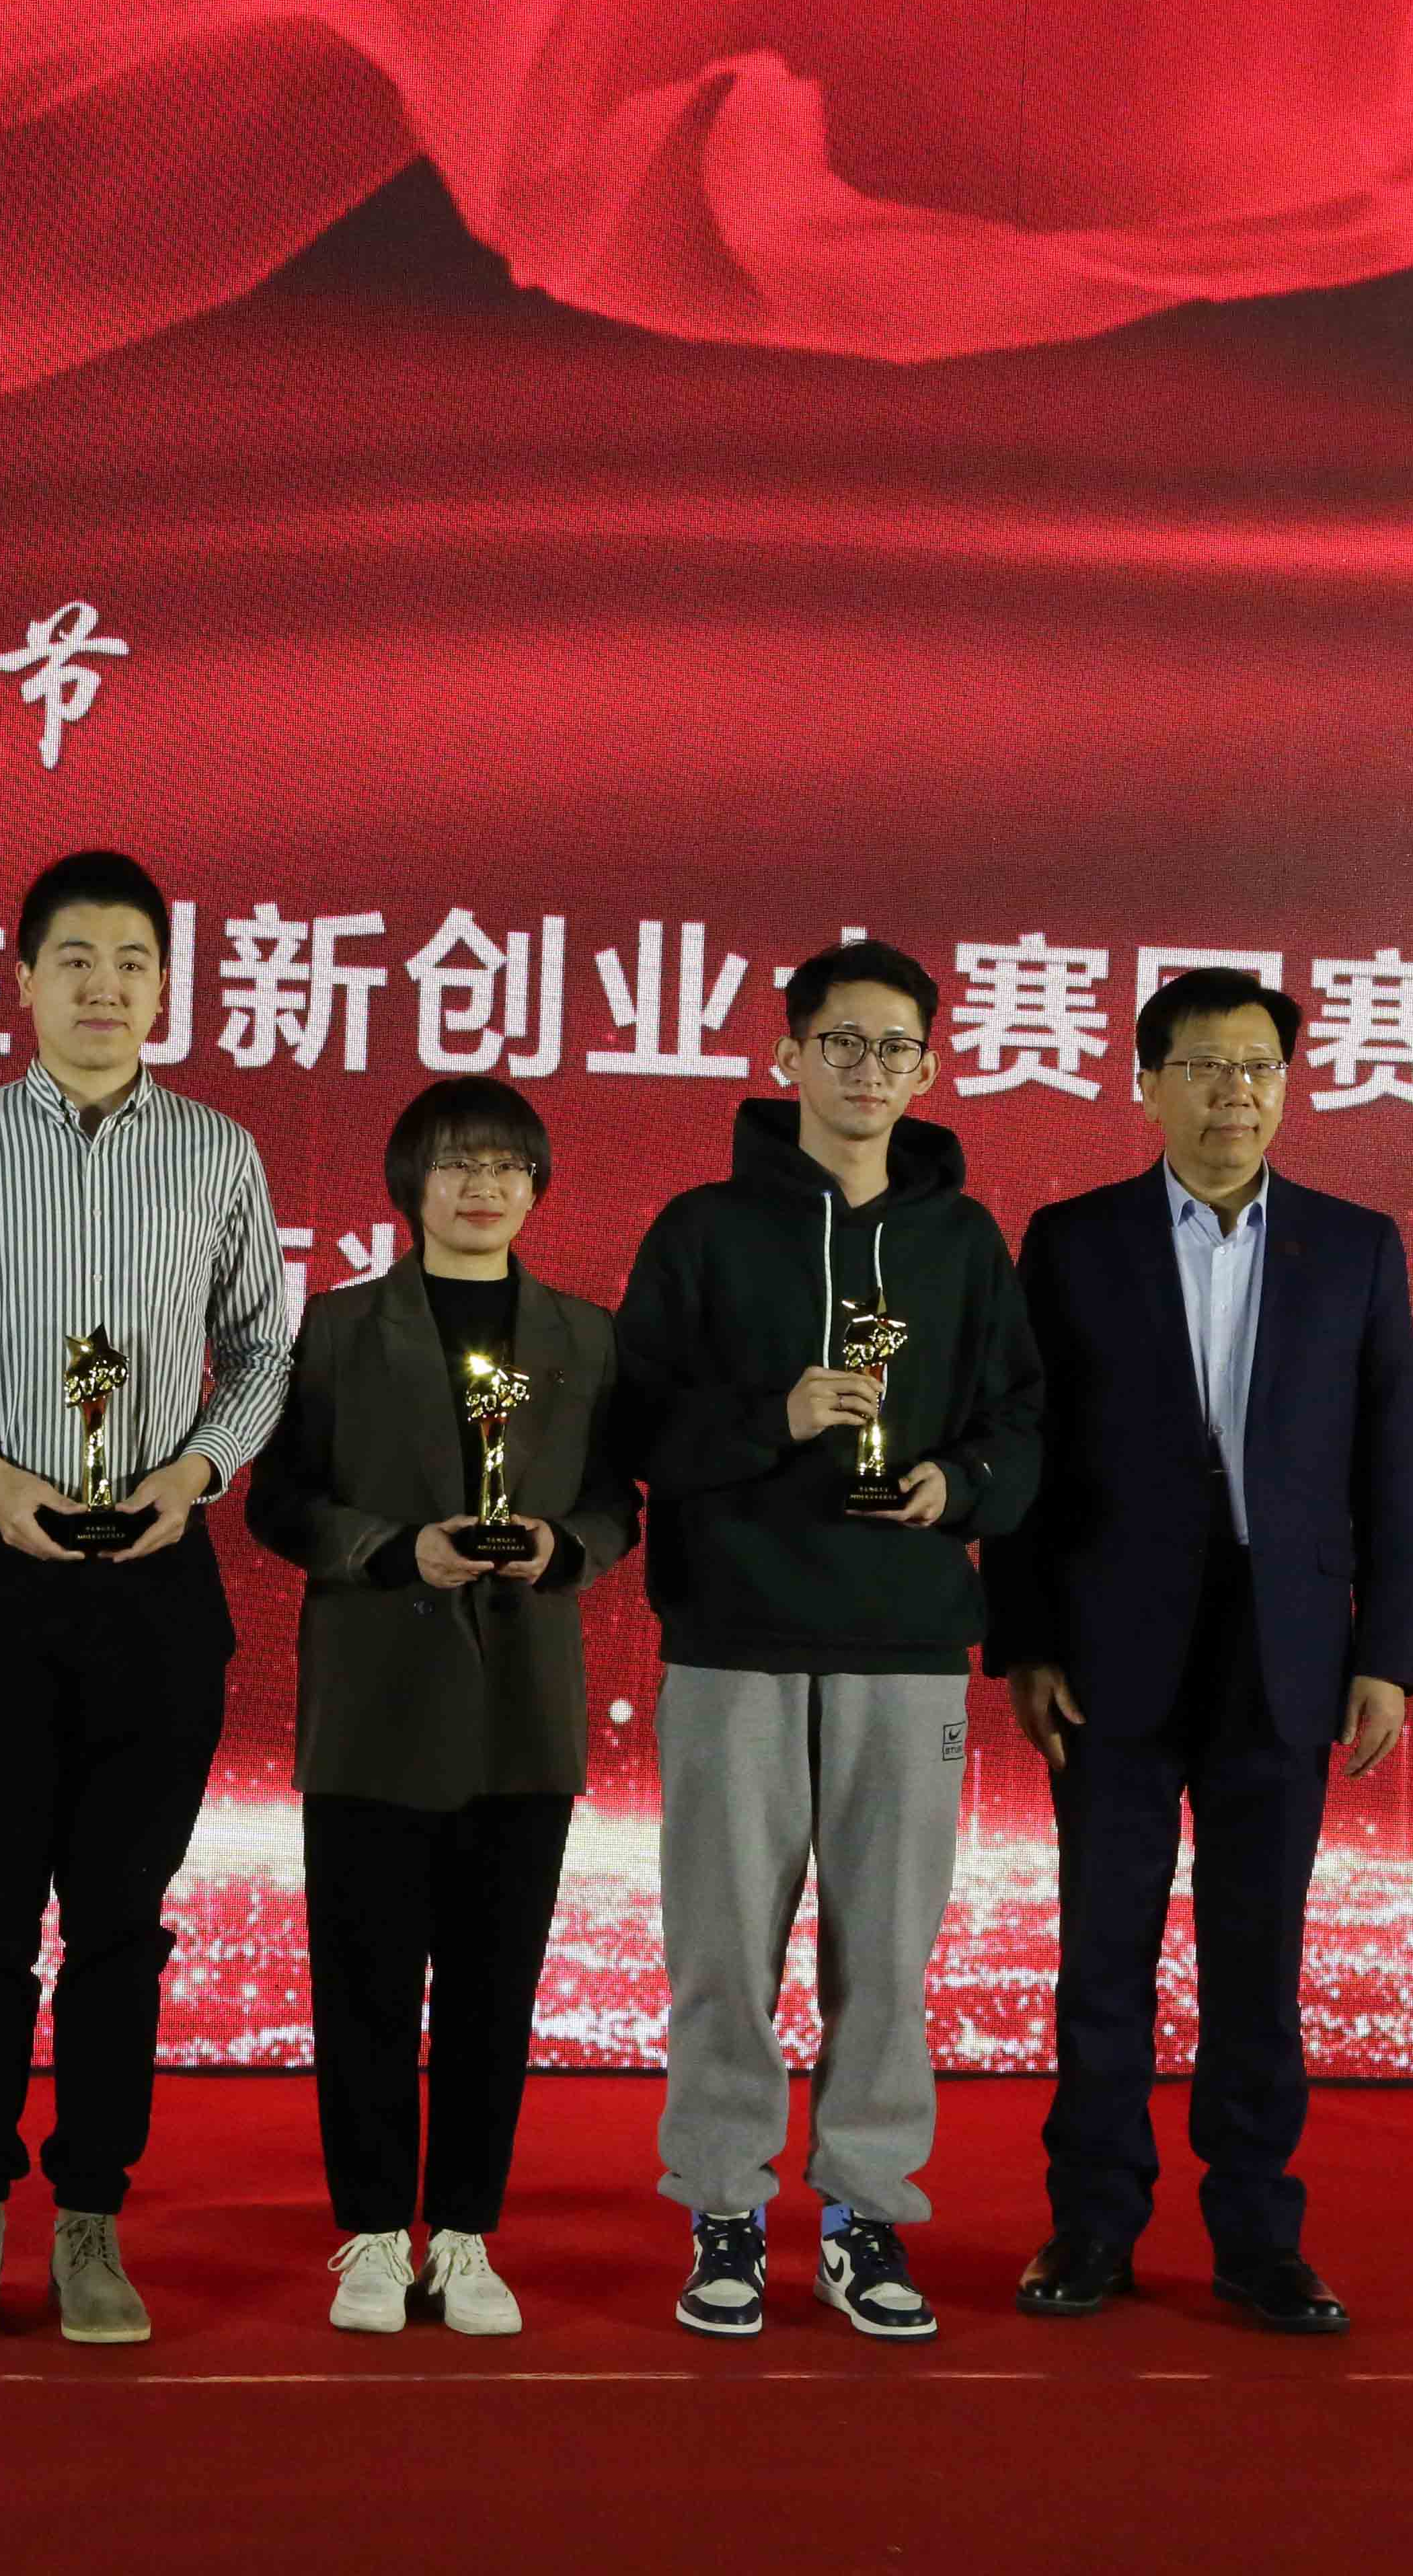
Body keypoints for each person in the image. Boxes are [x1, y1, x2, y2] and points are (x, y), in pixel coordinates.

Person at [0, 847, 294, 2347]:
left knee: (121, 1923)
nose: (106, 987)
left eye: (133, 962)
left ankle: (93, 2216)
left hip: (159, 1578)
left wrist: (196, 1477)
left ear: (166, 985)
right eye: (77, 960)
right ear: (25, 979)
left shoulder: (219, 1153)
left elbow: (265, 1348)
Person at [983, 965, 1413, 2336]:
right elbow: (1028, 1457)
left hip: (1286, 1649)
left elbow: (1391, 1462)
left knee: (1258, 1960)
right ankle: (1091, 2225)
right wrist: (1026, 1641)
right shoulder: (1074, 1241)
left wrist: (1388, 1653)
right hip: (1110, 1645)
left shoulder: (1355, 1246)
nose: (1235, 1093)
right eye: (1203, 1067)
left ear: (1287, 1087)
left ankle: (1257, 2239)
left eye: (1259, 1068)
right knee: (1101, 1955)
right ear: (1146, 1085)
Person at [613, 936, 1040, 2342]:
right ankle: (724, 2207)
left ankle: (866, 2212)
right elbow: (633, 1430)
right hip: (732, 1638)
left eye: (894, 1048)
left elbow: (1025, 1427)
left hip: (904, 1642)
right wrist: (774, 1418)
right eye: (841, 1043)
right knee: (722, 1953)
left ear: (928, 1069)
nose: (868, 1071)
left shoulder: (964, 1242)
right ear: (786, 1054)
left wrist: (957, 1486)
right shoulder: (702, 1230)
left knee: (889, 1956)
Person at [247, 1076, 635, 2336]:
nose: (484, 1187)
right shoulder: (336, 1328)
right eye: (459, 1163)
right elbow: (278, 1502)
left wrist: (564, 1547)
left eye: (508, 1166)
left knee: (492, 1988)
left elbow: (619, 1505)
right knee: (362, 1982)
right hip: (375, 1695)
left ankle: (465, 2233)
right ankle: (371, 2232)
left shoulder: (587, 1336)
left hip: (525, 1705)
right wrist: (388, 1548)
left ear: (538, 1188)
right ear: (409, 1184)